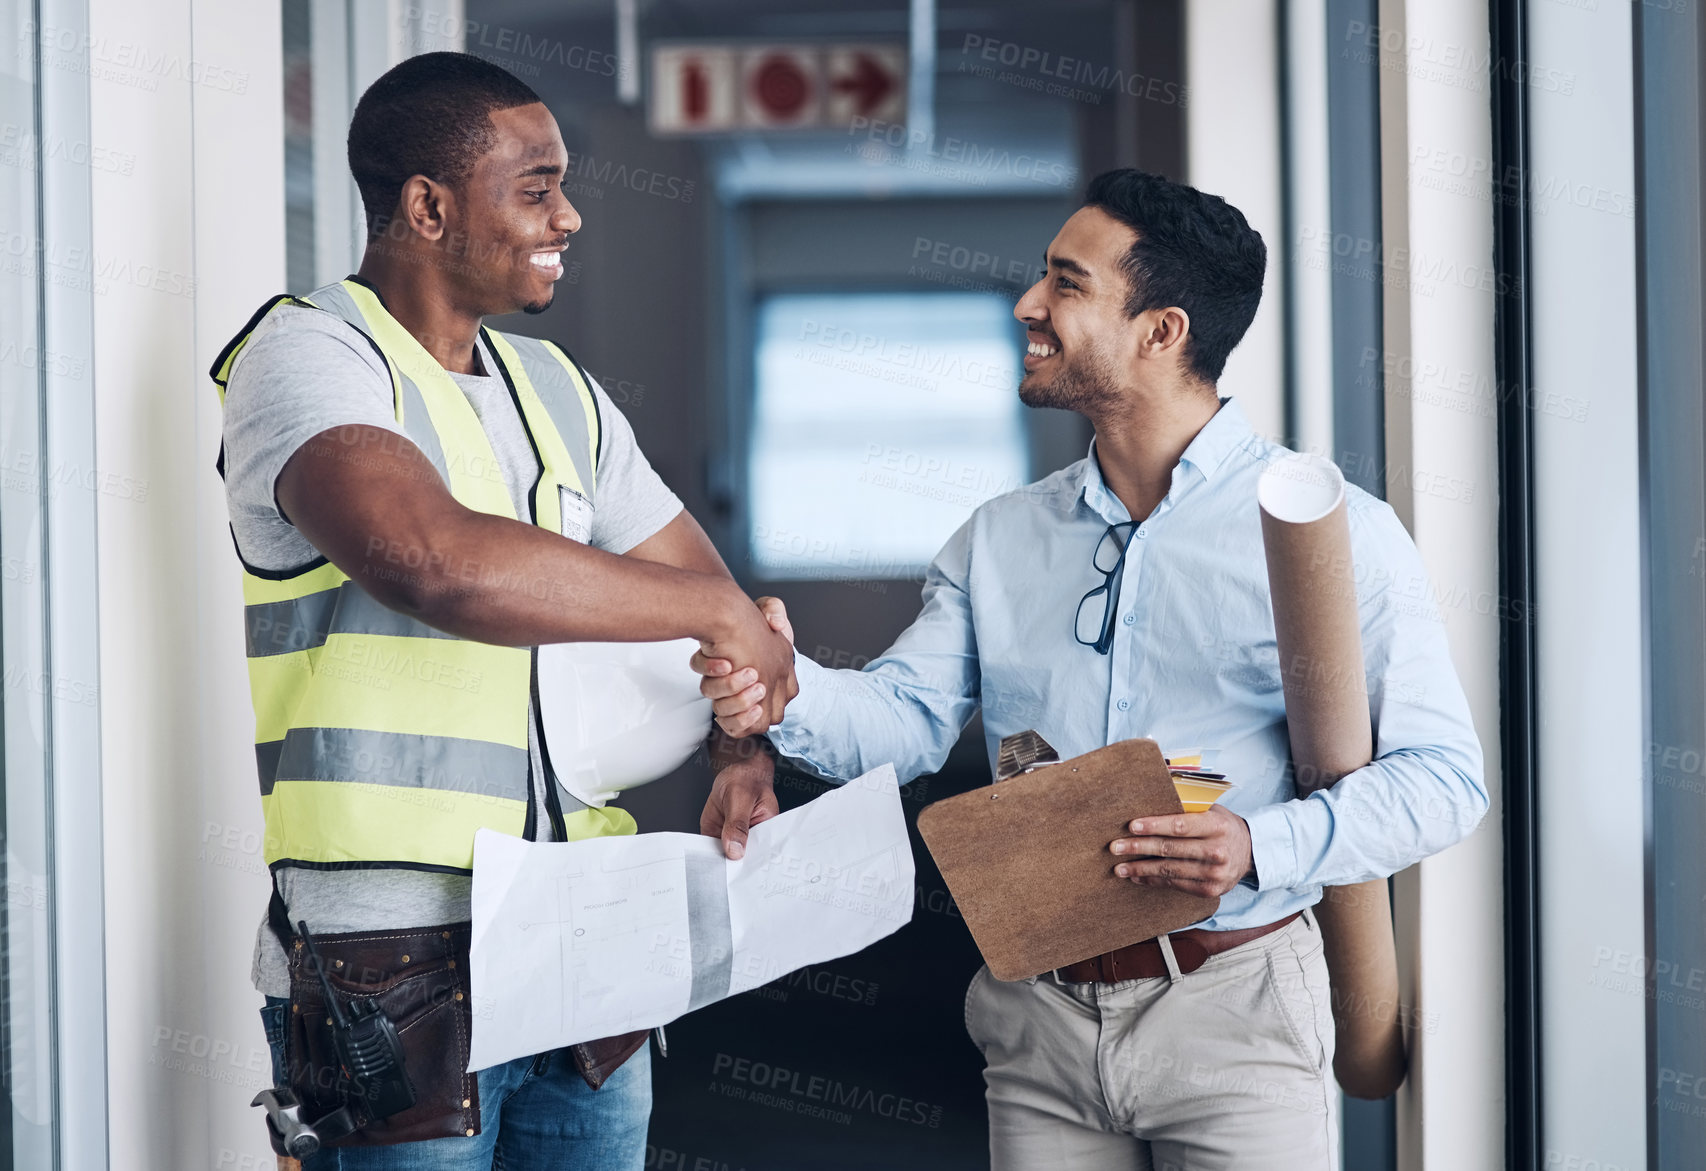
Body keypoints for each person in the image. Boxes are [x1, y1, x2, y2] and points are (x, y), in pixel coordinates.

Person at [696, 169, 1487, 1170]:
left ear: (1161, 331)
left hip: (1234, 1005)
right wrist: (790, 689)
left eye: (1063, 285)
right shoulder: (999, 538)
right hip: (1036, 1017)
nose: (1026, 305)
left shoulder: (1335, 534)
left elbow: (1443, 781)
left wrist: (1260, 843)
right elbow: (905, 722)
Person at [214, 52, 792, 1170]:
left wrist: (741, 735)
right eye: (535, 187)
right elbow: (434, 562)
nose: (567, 215)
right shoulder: (309, 356)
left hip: (582, 930)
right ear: (427, 207)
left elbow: (714, 606)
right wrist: (713, 617)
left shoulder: (560, 390)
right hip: (394, 962)